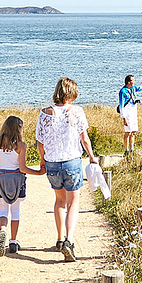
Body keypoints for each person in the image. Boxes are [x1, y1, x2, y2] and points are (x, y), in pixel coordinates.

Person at [35, 77, 100, 262]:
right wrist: (92, 157)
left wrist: (42, 161)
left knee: (59, 201)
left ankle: (58, 238)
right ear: (71, 93)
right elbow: (84, 138)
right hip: (72, 161)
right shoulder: (77, 111)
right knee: (73, 202)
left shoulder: (44, 113)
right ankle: (69, 241)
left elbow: (40, 142)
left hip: (52, 163)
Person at [0, 115, 41, 256]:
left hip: (1, 179)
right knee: (15, 211)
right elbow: (23, 168)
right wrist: (38, 172)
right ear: (19, 129)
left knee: (2, 211)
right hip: (16, 180)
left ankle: (2, 231)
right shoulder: (20, 145)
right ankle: (13, 242)